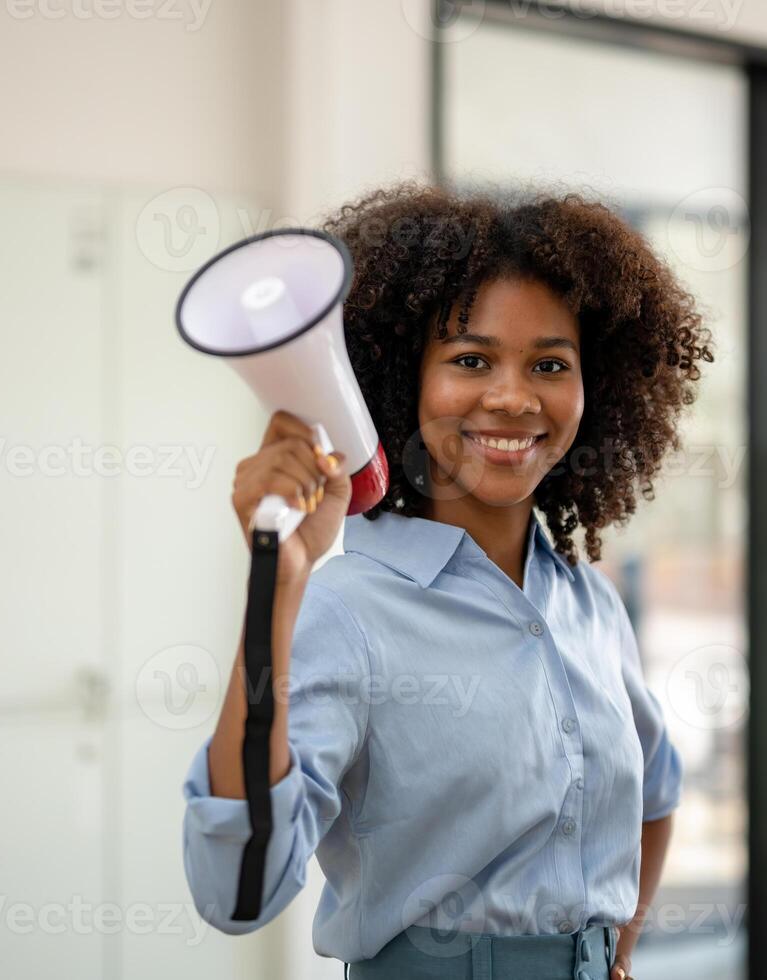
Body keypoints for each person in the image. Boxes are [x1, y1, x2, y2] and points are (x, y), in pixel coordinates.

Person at [181, 182, 713, 979]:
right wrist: (279, 583)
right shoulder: (348, 613)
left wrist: (617, 950)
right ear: (401, 380)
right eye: (471, 360)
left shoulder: (589, 602)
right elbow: (237, 893)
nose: (512, 396)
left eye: (549, 364)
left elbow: (654, 793)